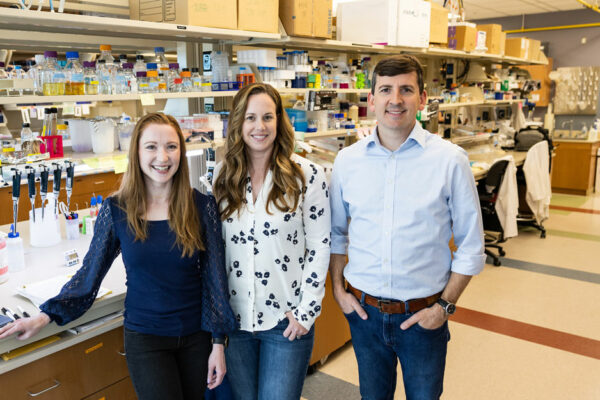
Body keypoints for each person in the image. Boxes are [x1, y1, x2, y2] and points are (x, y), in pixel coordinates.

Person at [0, 112, 237, 400]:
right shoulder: (117, 210)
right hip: (146, 339)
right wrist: (44, 316)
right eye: (151, 146)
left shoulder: (202, 206)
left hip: (196, 338)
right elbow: (89, 276)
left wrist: (218, 343)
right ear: (136, 151)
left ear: (181, 152)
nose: (162, 156)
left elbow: (215, 280)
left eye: (171, 147)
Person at [329, 55, 486, 400]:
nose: (395, 100)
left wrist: (443, 308)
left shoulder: (449, 160)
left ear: (422, 98)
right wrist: (339, 291)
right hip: (364, 315)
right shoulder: (348, 161)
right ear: (371, 99)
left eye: (406, 90)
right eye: (385, 90)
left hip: (424, 317)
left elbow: (472, 245)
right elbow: (337, 233)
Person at [213, 83, 331, 400]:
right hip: (235, 322)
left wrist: (306, 311)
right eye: (250, 118)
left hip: (285, 320)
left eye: (268, 117)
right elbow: (216, 251)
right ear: (238, 123)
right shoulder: (223, 177)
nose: (259, 126)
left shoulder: (306, 175)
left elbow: (321, 245)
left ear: (280, 120)